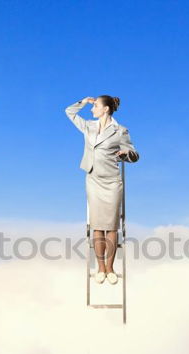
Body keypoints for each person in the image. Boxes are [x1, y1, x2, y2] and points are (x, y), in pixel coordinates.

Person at [65, 95, 140, 285]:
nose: (93, 109)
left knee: (112, 226)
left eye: (96, 106)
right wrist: (84, 101)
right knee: (97, 225)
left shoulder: (120, 131)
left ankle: (110, 268)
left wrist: (126, 153)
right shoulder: (88, 126)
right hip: (93, 179)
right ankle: (100, 268)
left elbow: (135, 155)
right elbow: (69, 112)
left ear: (106, 109)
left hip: (112, 182)